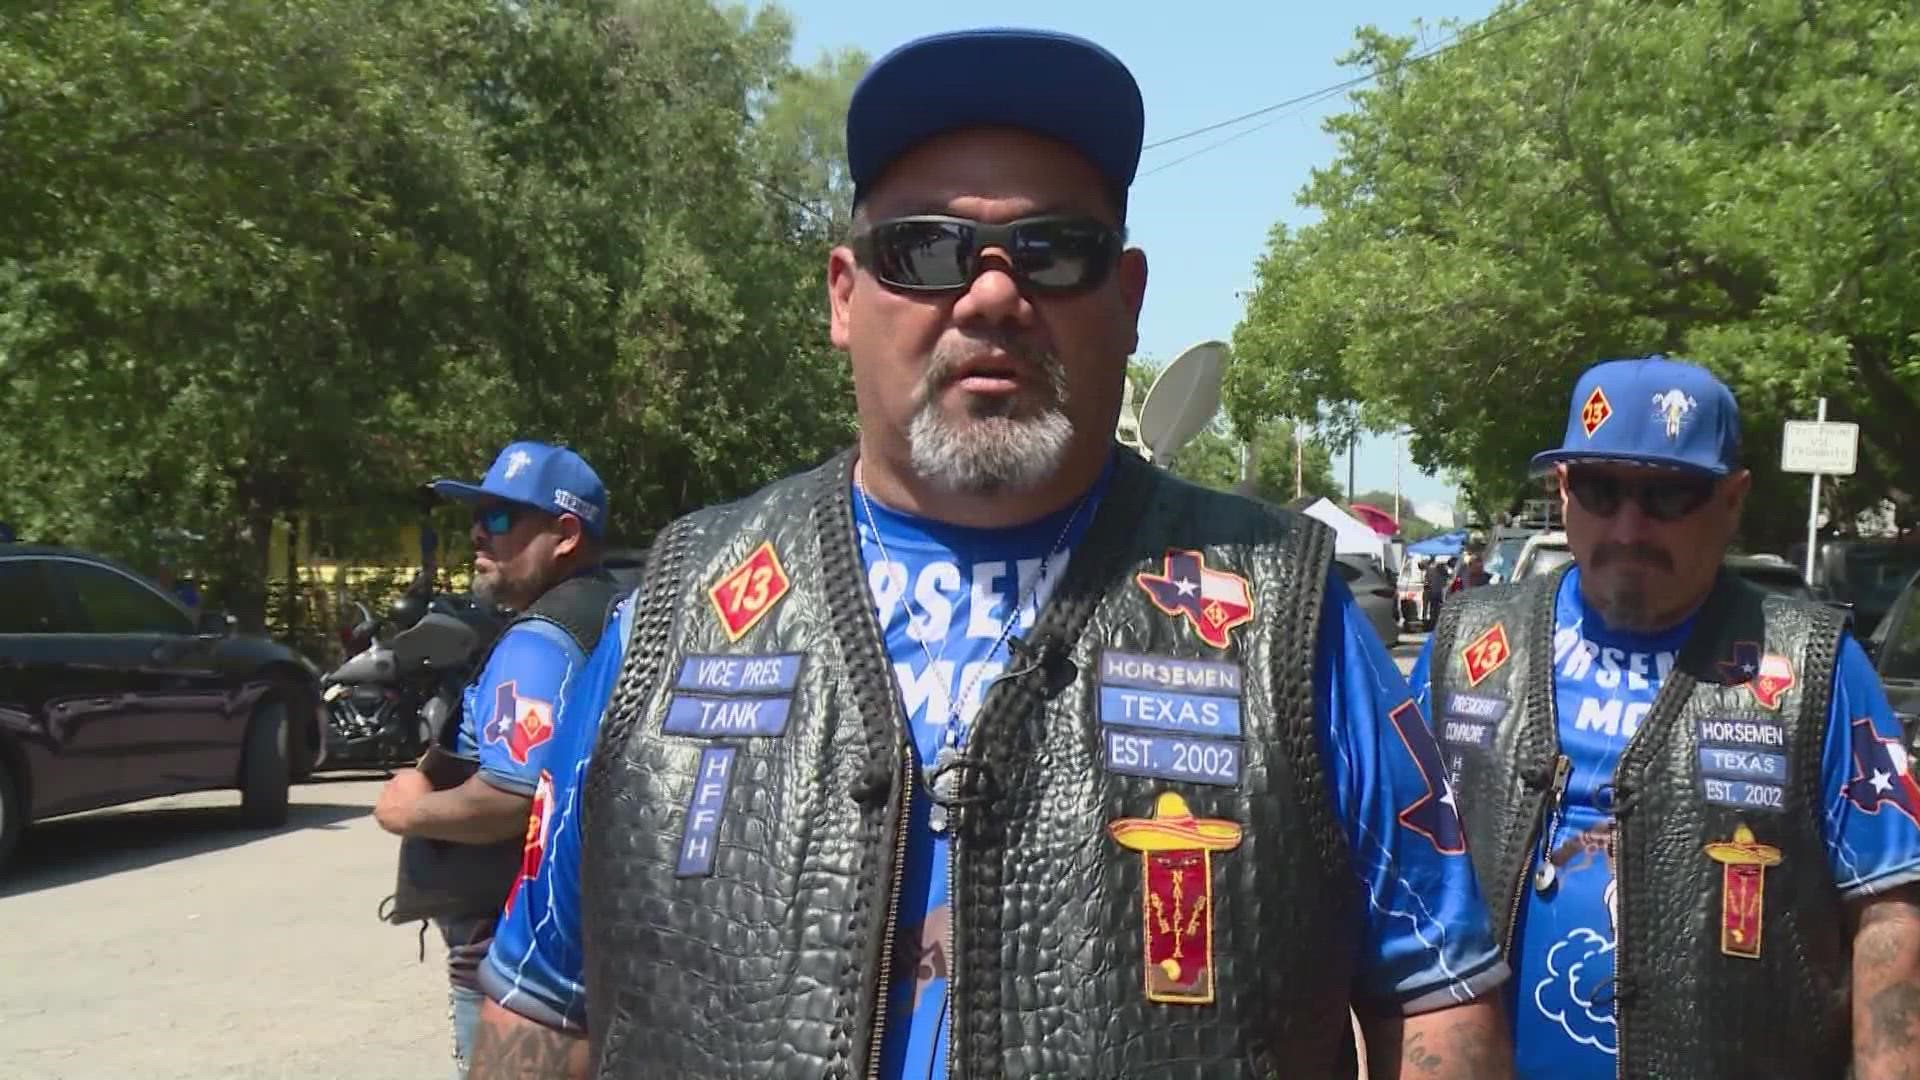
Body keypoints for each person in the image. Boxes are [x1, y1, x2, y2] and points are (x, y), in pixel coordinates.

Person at [468, 28, 1513, 1080]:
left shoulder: (1286, 614)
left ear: (1130, 295)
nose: (995, 296)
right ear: (843, 295)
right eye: (925, 251)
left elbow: (1435, 1002)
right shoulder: (677, 611)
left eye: (1057, 252)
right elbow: (543, 1009)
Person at [1408, 355, 1920, 1079]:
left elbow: (1892, 918)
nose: (1628, 526)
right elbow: (1393, 887)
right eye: (1600, 488)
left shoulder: (1816, 669)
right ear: (1563, 491)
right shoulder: (1463, 648)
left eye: (1669, 496)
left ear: (1733, 500)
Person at [372, 441, 625, 1079]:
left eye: (504, 517)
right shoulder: (617, 611)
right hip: (588, 937)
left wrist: (409, 810)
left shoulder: (541, 639)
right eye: (479, 514)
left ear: (566, 534)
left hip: (514, 954)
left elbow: (508, 800)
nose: (480, 532)